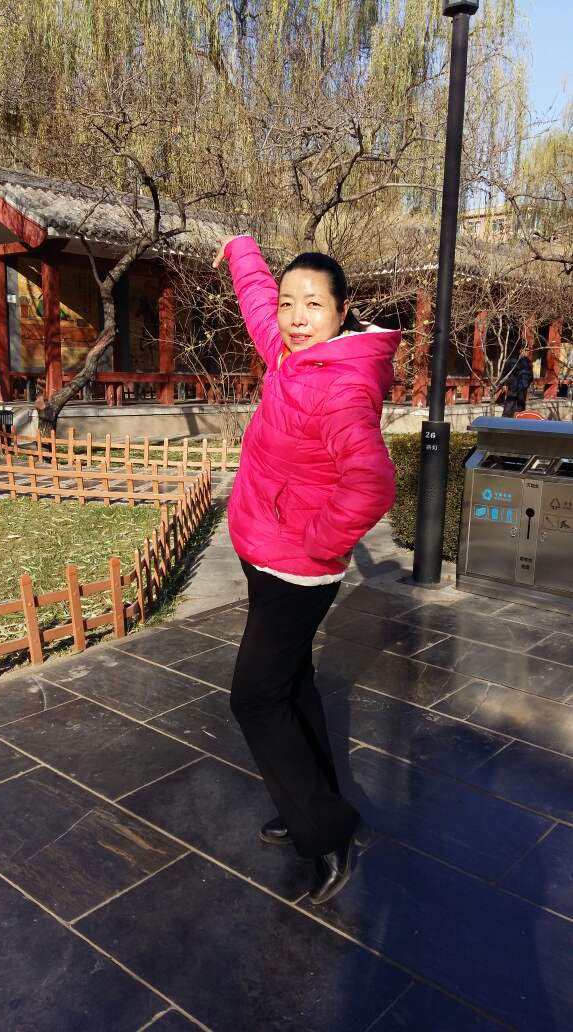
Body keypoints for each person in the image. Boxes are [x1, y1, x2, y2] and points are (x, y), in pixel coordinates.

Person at [212, 234, 400, 904]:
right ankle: (313, 801)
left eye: (313, 304)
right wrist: (241, 251)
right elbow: (258, 304)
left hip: (296, 569)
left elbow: (371, 484)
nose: (295, 316)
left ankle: (326, 831)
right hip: (264, 553)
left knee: (254, 697)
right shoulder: (291, 355)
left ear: (343, 310)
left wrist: (316, 542)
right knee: (291, 683)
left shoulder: (341, 385)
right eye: (290, 302)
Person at [501, 345, 534, 417]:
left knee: (520, 408)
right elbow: (505, 373)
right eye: (525, 350)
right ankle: (505, 421)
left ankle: (518, 421)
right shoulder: (512, 360)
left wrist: (529, 384)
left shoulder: (528, 362)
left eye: (528, 350)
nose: (527, 352)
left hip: (523, 388)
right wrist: (504, 384)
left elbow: (531, 375)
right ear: (520, 350)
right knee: (509, 406)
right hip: (513, 387)